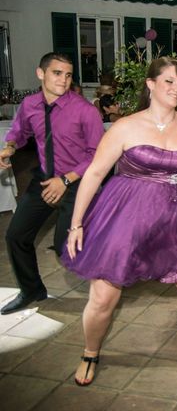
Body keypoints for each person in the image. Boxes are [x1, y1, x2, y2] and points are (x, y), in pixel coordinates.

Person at [62, 57, 177, 386]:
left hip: (176, 214)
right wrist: (76, 223)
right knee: (105, 296)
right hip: (126, 214)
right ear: (150, 84)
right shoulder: (126, 126)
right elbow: (94, 173)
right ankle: (90, 351)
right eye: (169, 81)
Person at [0, 52, 104, 315]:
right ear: (41, 73)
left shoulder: (85, 110)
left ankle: (109, 284)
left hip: (78, 183)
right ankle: (32, 290)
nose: (64, 80)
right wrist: (10, 147)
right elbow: (20, 133)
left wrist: (66, 180)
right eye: (57, 73)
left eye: (68, 75)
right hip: (46, 178)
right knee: (16, 236)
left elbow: (98, 156)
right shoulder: (29, 105)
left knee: (64, 246)